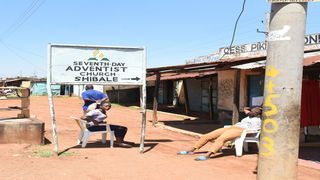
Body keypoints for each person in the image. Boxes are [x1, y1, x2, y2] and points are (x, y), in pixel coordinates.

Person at [177, 106, 262, 161]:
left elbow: (254, 130)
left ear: (257, 113)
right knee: (208, 135)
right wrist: (252, 108)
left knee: (221, 138)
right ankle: (191, 150)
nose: (249, 112)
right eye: (251, 111)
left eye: (253, 111)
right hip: (233, 127)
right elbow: (245, 108)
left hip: (242, 131)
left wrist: (244, 132)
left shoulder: (258, 120)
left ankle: (208, 155)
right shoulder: (249, 116)